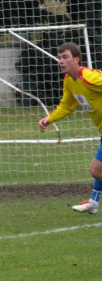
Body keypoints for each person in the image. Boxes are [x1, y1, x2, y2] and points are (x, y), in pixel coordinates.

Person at [38, 42, 102, 215]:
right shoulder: (69, 82)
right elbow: (67, 106)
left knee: (96, 170)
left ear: (76, 59)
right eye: (59, 58)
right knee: (98, 170)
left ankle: (93, 202)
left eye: (65, 57)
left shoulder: (89, 77)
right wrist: (49, 119)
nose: (61, 61)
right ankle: (93, 203)